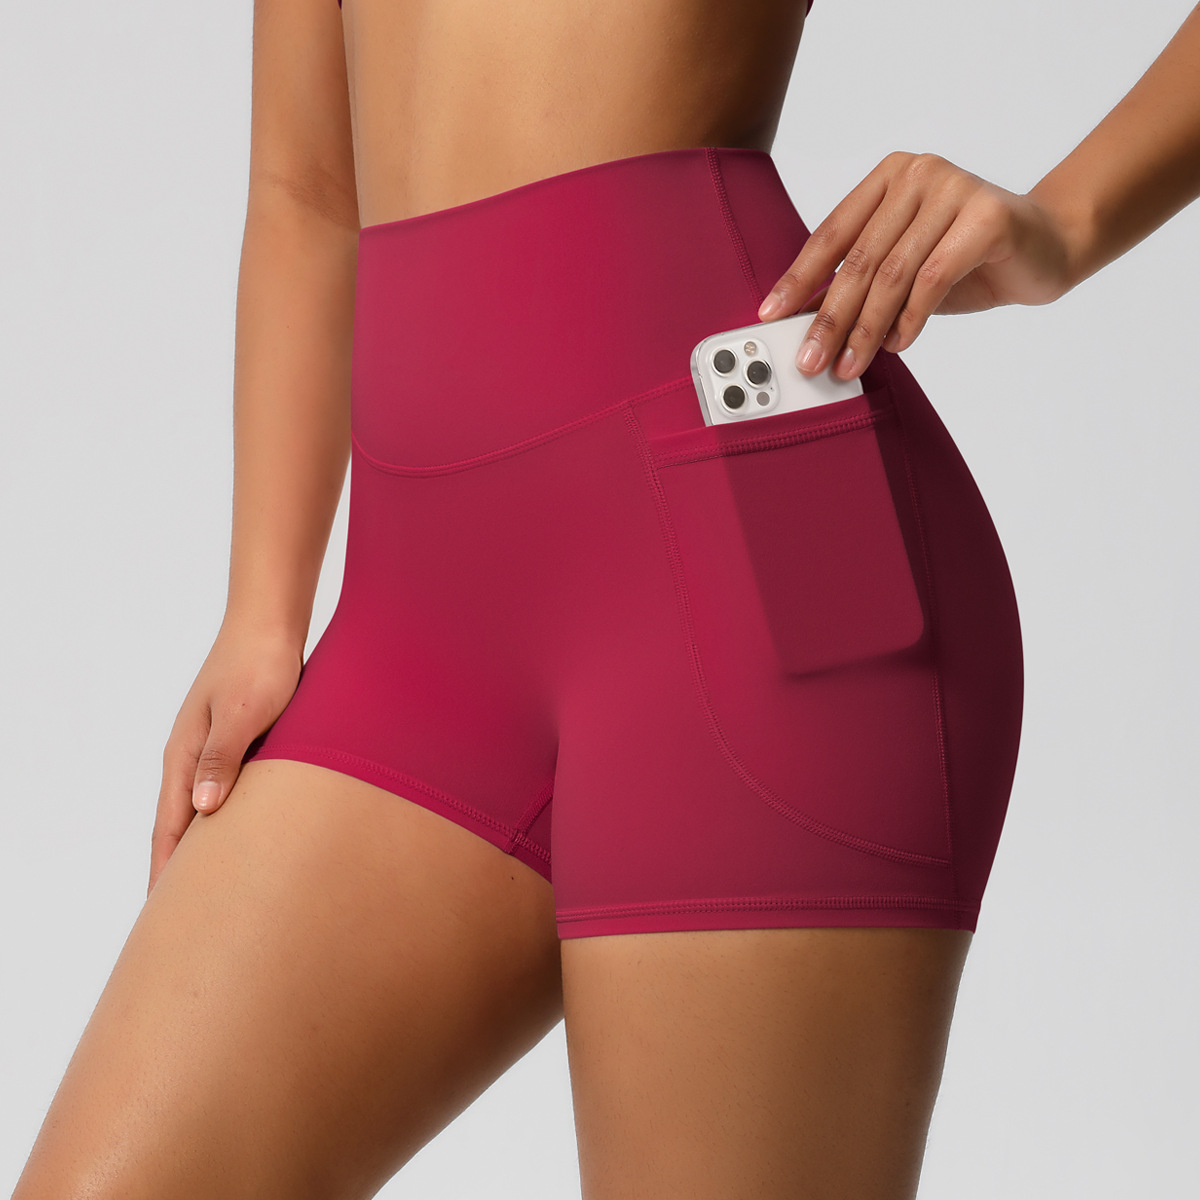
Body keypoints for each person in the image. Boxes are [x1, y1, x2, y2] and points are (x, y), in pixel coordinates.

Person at [13, 1, 1200, 1196]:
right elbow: (309, 189)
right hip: (415, 633)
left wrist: (1069, 219)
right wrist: (261, 614)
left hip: (747, 589)